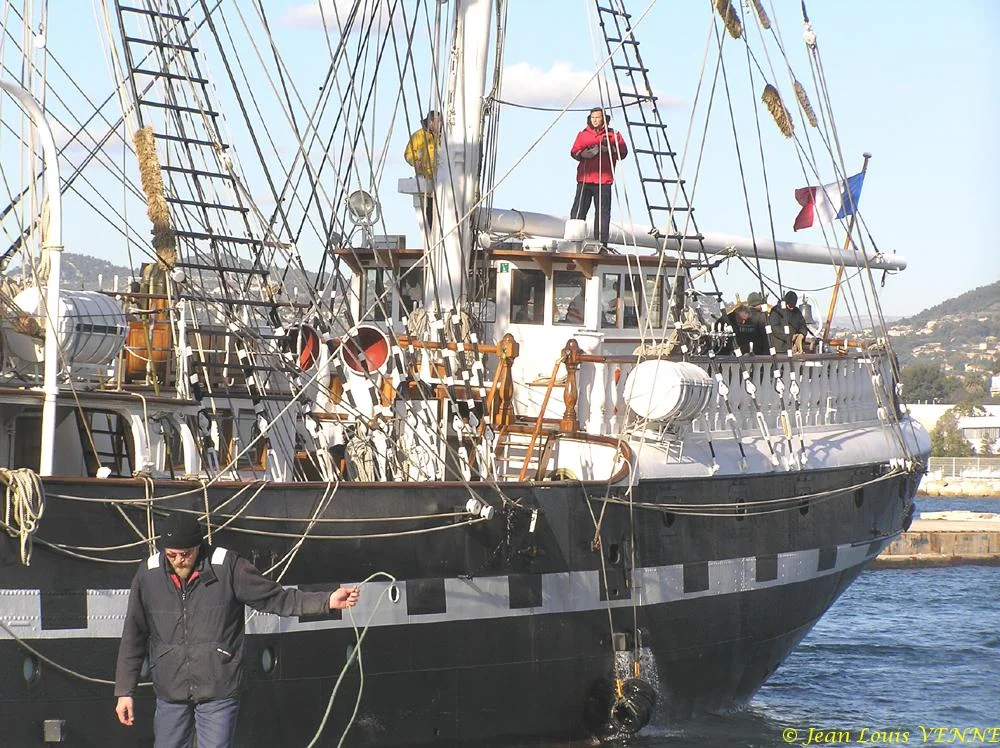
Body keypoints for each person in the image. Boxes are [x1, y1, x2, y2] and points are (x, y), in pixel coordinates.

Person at [114, 513, 359, 747]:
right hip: (171, 689)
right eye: (171, 555)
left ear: (199, 546)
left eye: (185, 554)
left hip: (219, 685)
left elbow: (276, 599)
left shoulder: (227, 567)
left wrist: (326, 601)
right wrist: (125, 691)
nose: (179, 561)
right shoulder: (149, 574)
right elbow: (134, 633)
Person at [570, 107, 627, 249]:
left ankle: (601, 244)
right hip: (585, 179)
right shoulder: (583, 135)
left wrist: (610, 150)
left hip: (604, 180)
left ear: (604, 119)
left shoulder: (614, 135)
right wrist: (583, 154)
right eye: (593, 117)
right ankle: (574, 241)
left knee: (602, 213)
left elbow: (623, 153)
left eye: (598, 117)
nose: (595, 120)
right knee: (578, 211)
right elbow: (574, 151)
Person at [404, 110, 441, 232]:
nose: (440, 125)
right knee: (429, 214)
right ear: (431, 122)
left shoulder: (444, 137)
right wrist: (415, 161)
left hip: (441, 181)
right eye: (438, 123)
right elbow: (408, 154)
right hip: (426, 180)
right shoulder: (418, 136)